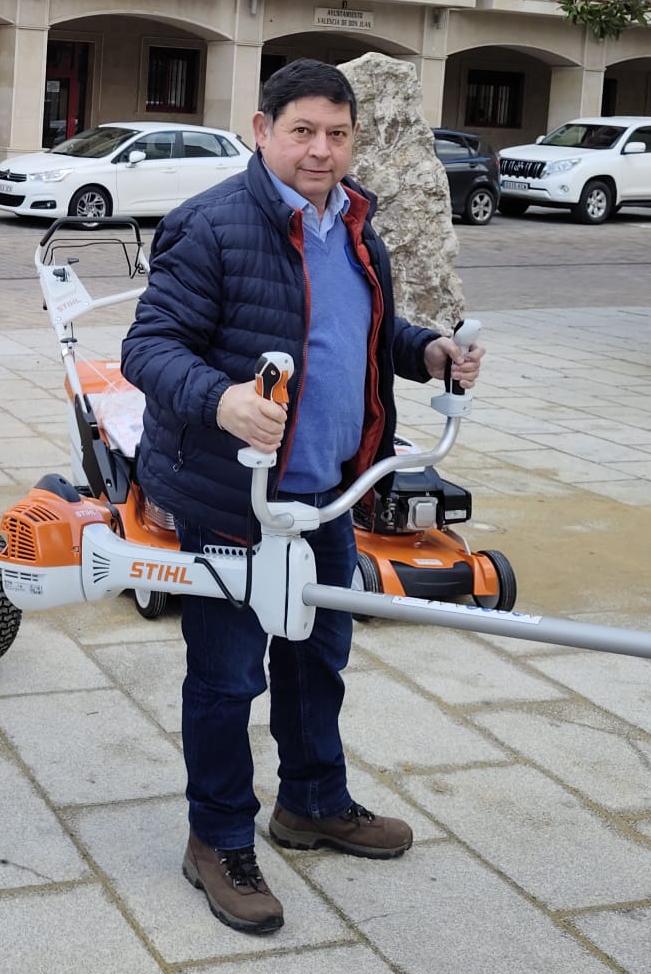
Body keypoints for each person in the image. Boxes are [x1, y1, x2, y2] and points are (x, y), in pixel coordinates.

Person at [121, 58, 485, 937]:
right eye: (302, 132)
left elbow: (359, 332)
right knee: (226, 675)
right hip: (230, 498)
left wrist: (426, 351)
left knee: (319, 654)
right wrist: (224, 400)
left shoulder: (358, 226)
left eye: (336, 133)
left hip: (327, 491)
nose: (320, 151)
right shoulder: (208, 227)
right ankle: (216, 837)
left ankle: (314, 801)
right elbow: (148, 347)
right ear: (262, 130)